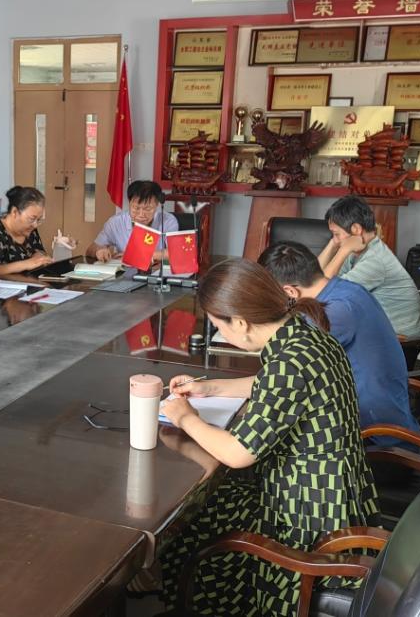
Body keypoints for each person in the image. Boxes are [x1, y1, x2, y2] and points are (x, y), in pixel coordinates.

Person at [158, 258, 379, 615]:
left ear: (240, 323)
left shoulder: (288, 364)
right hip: (335, 494)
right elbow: (271, 384)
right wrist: (210, 387)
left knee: (203, 523)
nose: (220, 333)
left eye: (218, 326)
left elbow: (237, 452)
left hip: (308, 517)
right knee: (215, 503)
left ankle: (200, 602)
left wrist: (185, 418)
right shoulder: (304, 334)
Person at [259, 241, 419, 445]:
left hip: (375, 437)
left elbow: (283, 372)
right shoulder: (345, 290)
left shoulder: (336, 311)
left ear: (290, 291)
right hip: (374, 414)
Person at [318, 196, 420, 337]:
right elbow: (314, 278)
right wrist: (333, 244)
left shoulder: (375, 260)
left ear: (356, 229)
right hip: (380, 332)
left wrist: (343, 250)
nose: (335, 240)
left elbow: (324, 291)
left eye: (336, 234)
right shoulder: (358, 252)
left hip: (400, 341)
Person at [86, 179, 178, 263]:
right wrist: (99, 251)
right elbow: (90, 250)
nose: (141, 214)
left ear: (157, 205)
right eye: (136, 208)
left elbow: (175, 252)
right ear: (129, 203)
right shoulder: (116, 222)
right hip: (125, 271)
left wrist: (135, 255)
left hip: (155, 271)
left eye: (147, 209)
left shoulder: (168, 221)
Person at [0, 186, 55, 276]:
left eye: (38, 220)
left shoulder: (30, 229)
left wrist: (39, 257)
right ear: (14, 212)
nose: (35, 225)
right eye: (31, 219)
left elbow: (39, 251)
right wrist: (26, 264)